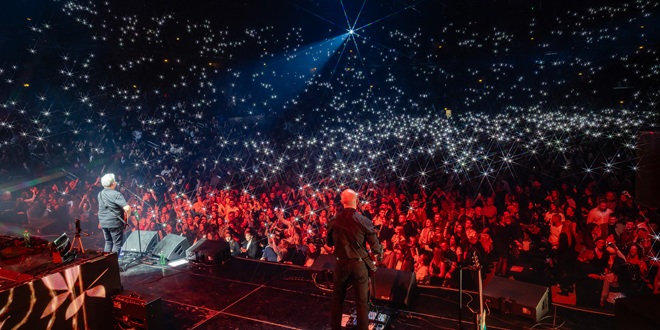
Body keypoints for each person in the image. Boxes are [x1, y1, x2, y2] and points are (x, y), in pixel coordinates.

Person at [327, 189, 383, 330]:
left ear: (341, 202)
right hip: (359, 265)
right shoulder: (364, 220)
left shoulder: (333, 221)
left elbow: (329, 244)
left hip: (341, 264)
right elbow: (376, 247)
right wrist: (377, 256)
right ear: (357, 202)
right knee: (362, 303)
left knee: (337, 299)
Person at [97, 173, 131, 254]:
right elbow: (127, 208)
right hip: (114, 223)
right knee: (117, 244)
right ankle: (113, 264)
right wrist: (126, 219)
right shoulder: (116, 194)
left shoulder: (100, 194)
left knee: (108, 242)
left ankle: (106, 263)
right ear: (113, 183)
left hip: (104, 222)